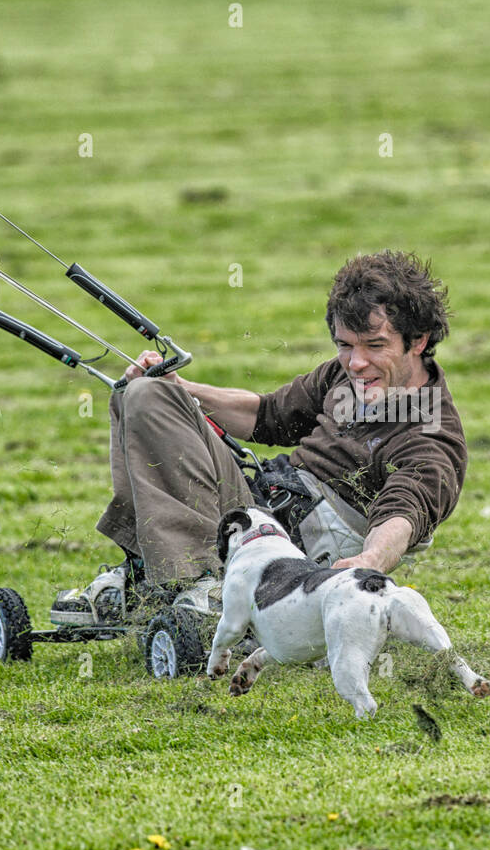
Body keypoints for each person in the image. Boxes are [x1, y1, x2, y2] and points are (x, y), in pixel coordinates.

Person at [51, 250, 468, 626]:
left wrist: (368, 562)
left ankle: (203, 583)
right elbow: (266, 416)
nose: (356, 363)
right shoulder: (345, 376)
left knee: (146, 395)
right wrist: (179, 388)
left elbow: (404, 513)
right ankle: (147, 571)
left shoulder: (431, 435)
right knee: (140, 394)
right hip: (260, 502)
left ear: (419, 341)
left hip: (290, 557)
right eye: (345, 345)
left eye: (375, 346)